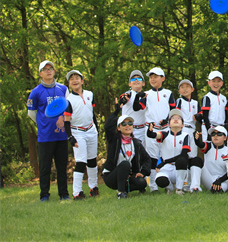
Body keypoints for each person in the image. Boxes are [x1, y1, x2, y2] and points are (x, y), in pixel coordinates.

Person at [27, 60, 70, 202]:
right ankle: (44, 195)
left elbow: (69, 109)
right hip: (45, 137)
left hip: (62, 135)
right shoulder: (35, 92)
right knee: (45, 168)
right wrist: (43, 124)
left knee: (62, 167)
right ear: (40, 73)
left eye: (51, 68)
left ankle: (64, 194)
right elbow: (31, 113)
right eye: (45, 69)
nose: (49, 71)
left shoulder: (63, 89)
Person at [137, 67, 176, 192]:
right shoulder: (147, 94)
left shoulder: (168, 93)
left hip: (165, 129)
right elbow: (138, 107)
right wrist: (139, 96)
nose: (153, 79)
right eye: (151, 77)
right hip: (151, 129)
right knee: (152, 158)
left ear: (163, 78)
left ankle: (168, 184)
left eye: (156, 76)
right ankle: (153, 186)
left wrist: (166, 119)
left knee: (167, 156)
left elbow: (173, 110)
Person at [103, 102, 151, 199]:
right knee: (125, 164)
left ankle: (125, 188)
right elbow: (108, 127)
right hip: (111, 176)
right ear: (118, 127)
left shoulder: (136, 143)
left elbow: (147, 159)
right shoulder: (114, 140)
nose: (127, 126)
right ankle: (121, 193)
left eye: (130, 123)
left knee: (142, 182)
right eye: (124, 123)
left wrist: (143, 172)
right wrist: (116, 111)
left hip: (128, 176)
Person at [63, 69, 99, 200]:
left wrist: (97, 129)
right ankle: (77, 192)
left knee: (92, 160)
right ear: (69, 83)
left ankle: (93, 187)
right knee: (80, 162)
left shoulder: (90, 94)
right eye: (71, 79)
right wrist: (70, 137)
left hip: (91, 130)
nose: (74, 80)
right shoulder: (68, 100)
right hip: (77, 131)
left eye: (77, 78)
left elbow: (92, 113)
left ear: (82, 81)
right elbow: (66, 121)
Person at [146, 109, 191, 194]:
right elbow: (153, 135)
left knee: (182, 160)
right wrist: (150, 131)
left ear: (182, 125)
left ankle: (179, 189)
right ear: (169, 124)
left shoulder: (186, 136)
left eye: (178, 118)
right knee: (160, 180)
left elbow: (183, 154)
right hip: (167, 168)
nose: (176, 119)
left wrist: (164, 162)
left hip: (180, 168)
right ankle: (170, 188)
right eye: (173, 118)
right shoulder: (165, 134)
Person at [175, 79, 202, 191]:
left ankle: (191, 183)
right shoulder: (179, 101)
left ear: (192, 89)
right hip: (183, 129)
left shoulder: (196, 103)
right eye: (182, 87)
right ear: (179, 90)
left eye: (187, 86)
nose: (185, 89)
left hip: (192, 129)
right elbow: (176, 114)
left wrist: (198, 116)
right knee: (183, 155)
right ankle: (182, 182)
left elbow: (201, 114)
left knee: (193, 155)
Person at [193, 126, 228, 193]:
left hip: (223, 180)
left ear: (225, 137)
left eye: (219, 134)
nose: (215, 136)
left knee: (217, 191)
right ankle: (195, 188)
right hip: (208, 177)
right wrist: (197, 139)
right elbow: (200, 144)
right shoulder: (209, 146)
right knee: (196, 160)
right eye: (213, 134)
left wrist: (219, 180)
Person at [118, 70, 147, 143]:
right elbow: (122, 99)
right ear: (129, 84)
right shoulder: (128, 94)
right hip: (128, 130)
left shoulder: (145, 96)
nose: (136, 80)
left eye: (139, 79)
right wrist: (123, 100)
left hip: (143, 130)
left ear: (143, 83)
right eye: (133, 79)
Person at [200, 71, 228, 141]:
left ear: (222, 83)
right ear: (209, 83)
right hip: (210, 127)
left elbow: (226, 115)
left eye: (218, 81)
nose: (216, 84)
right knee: (209, 150)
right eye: (213, 81)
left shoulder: (224, 98)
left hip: (221, 128)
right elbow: (205, 116)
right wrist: (209, 131)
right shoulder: (207, 97)